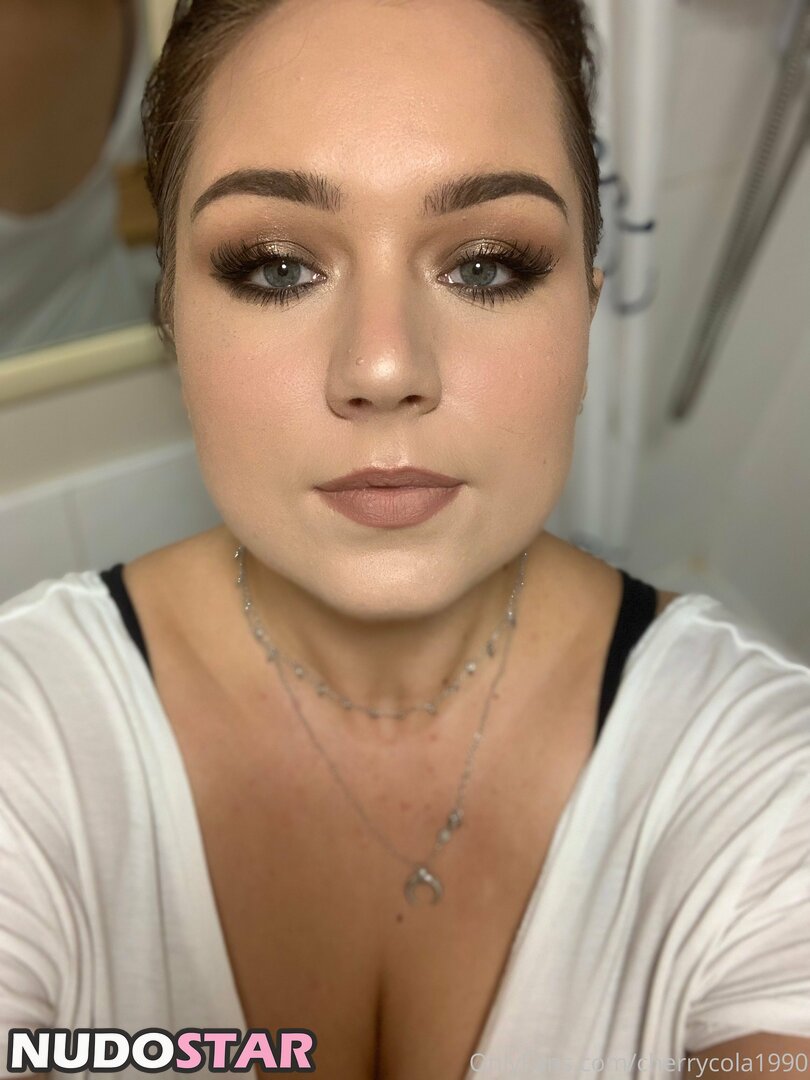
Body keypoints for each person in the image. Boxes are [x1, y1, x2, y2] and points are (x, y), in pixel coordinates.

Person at [1, 1, 809, 1077]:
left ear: (585, 315)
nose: (383, 368)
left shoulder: (766, 787)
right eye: (276, 266)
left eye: (486, 265)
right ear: (174, 320)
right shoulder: (26, 743)